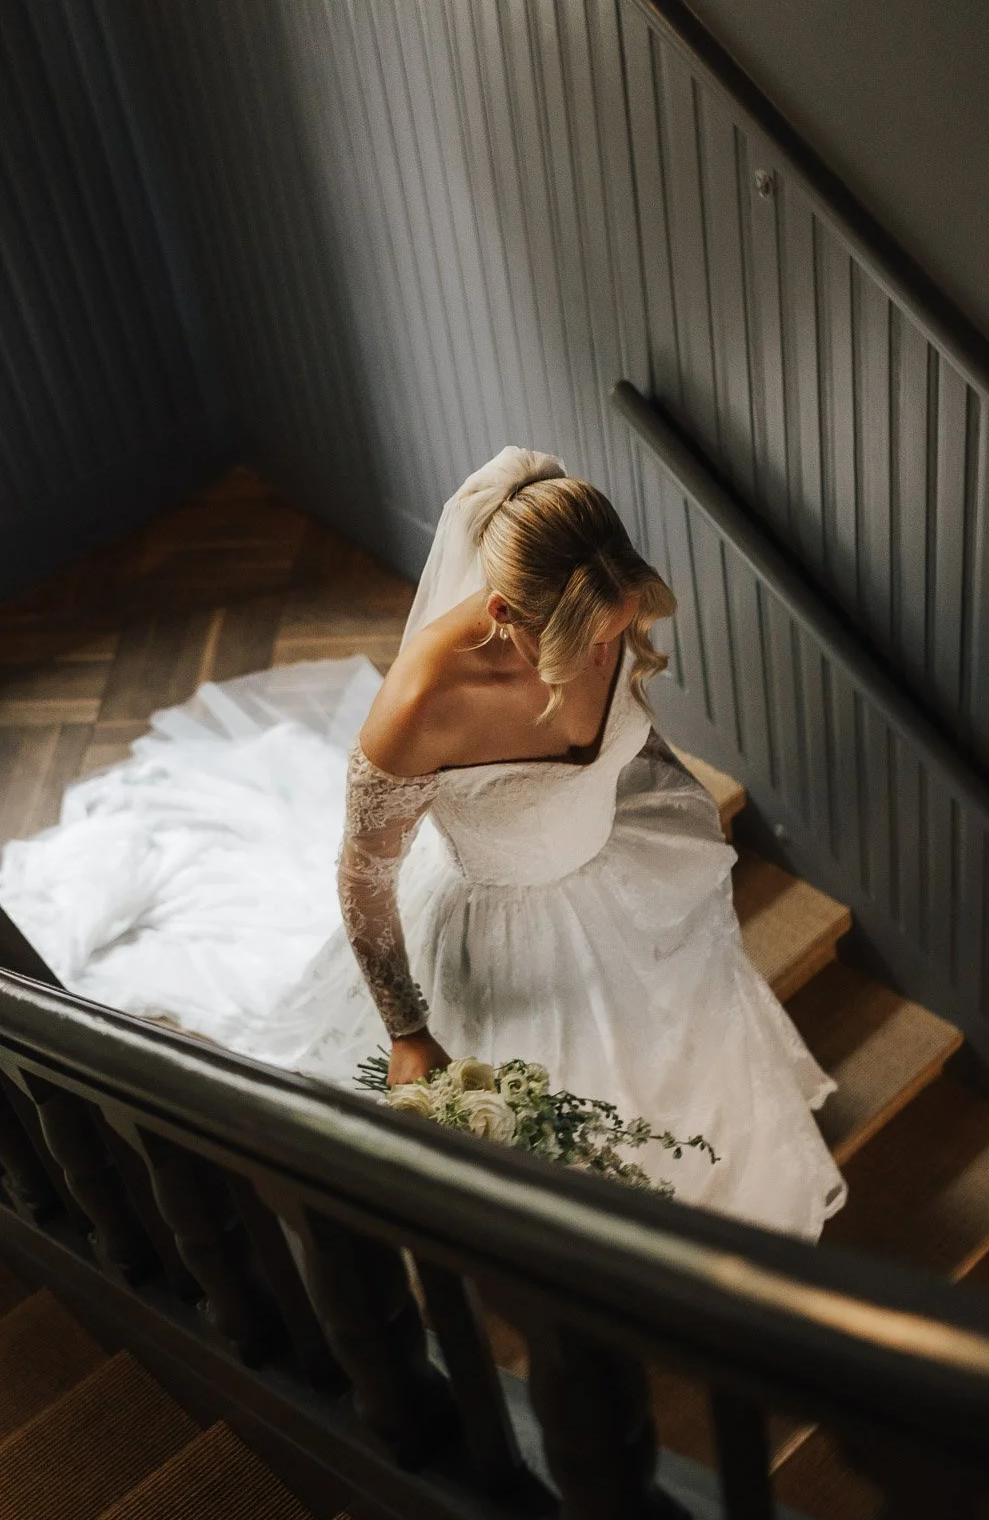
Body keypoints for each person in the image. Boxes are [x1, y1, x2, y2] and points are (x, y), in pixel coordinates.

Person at [0, 447, 846, 1238]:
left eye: (615, 631)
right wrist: (407, 1030)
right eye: (587, 641)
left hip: (619, 876)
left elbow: (623, 720)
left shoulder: (601, 604)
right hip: (502, 929)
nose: (608, 652)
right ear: (505, 611)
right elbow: (362, 881)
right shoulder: (421, 708)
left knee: (682, 1048)